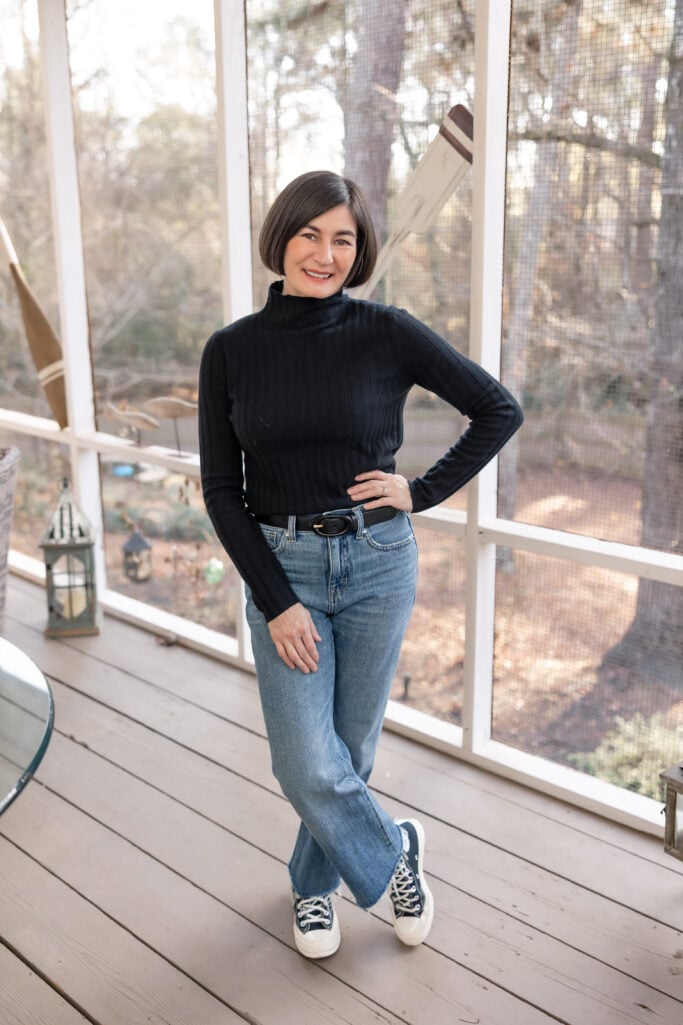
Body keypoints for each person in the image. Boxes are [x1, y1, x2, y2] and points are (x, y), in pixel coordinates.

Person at [198, 170, 523, 959]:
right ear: (282, 238)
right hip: (285, 568)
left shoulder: (386, 330)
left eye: (342, 238)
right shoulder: (231, 350)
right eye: (310, 234)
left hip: (379, 561)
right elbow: (219, 488)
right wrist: (275, 601)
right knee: (307, 760)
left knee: (351, 747)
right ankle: (393, 853)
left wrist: (423, 489)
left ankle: (313, 888)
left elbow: (498, 408)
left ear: (359, 249)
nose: (324, 253)